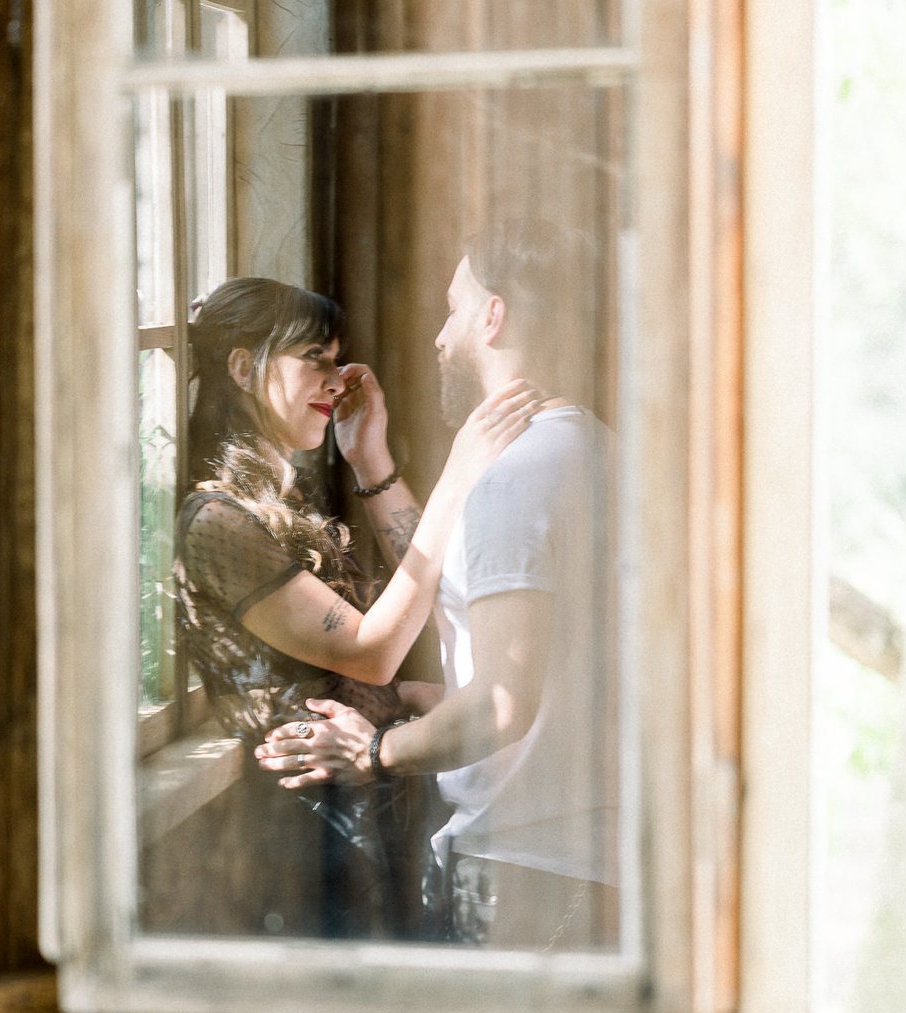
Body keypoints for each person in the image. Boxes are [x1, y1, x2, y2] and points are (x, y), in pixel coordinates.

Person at [255, 228, 618, 950]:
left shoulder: (514, 480)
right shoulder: (596, 449)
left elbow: (504, 704)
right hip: (591, 860)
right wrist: (372, 464)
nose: (439, 336)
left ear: (493, 316)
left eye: (454, 309)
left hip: (524, 869)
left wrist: (375, 751)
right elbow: (487, 602)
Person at [172, 276, 538, 939]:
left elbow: (427, 592)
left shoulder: (281, 500)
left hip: (369, 810)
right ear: (243, 369)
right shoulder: (216, 520)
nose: (337, 379)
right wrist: (458, 475)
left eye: (338, 359)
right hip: (305, 839)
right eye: (314, 357)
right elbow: (373, 651)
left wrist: (371, 460)